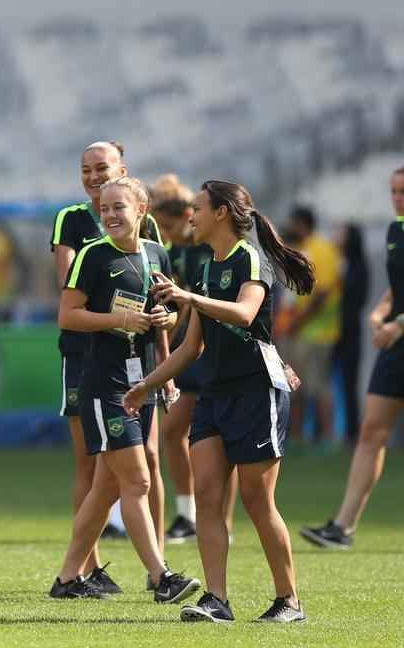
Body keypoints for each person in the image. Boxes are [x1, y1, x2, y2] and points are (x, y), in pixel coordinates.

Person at [128, 180, 315, 624]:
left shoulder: (249, 258)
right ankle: (217, 599)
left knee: (256, 500)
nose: (190, 215)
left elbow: (246, 314)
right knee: (207, 494)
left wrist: (189, 297)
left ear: (221, 213)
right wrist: (146, 386)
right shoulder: (205, 269)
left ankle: (289, 601)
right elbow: (191, 348)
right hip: (215, 394)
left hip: (256, 391)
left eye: (197, 208)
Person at [47, 177, 198, 606]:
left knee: (107, 488)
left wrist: (167, 326)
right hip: (105, 385)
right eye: (106, 208)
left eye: (119, 207)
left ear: (142, 210)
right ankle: (161, 577)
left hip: (142, 382)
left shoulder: (155, 253)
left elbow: (165, 311)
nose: (110, 214)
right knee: (138, 479)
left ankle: (68, 578)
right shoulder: (93, 256)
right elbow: (68, 316)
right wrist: (118, 320)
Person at [49, 141, 163, 592]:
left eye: (102, 168)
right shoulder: (73, 221)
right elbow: (69, 289)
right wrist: (118, 315)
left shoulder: (148, 232)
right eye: (86, 170)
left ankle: (153, 565)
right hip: (87, 355)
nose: (94, 177)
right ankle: (91, 568)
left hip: (139, 359)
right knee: (94, 463)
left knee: (143, 461)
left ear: (123, 171)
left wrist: (163, 331)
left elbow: (158, 288)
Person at [301, 168, 404, 550]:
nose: (397, 198)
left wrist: (398, 324)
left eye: (403, 191)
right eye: (393, 191)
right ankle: (342, 527)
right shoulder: (395, 231)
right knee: (371, 430)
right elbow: (396, 290)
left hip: (398, 333)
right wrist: (380, 314)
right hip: (394, 344)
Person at [148, 174, 237, 545]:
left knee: (224, 438)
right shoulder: (176, 251)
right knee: (173, 431)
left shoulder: (213, 250)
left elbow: (196, 303)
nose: (165, 235)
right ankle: (187, 513)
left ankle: (223, 521)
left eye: (168, 227)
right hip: (190, 348)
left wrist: (172, 336)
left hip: (215, 350)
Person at [278, 205, 341, 444]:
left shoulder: (322, 249)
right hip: (297, 332)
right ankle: (297, 436)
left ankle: (327, 437)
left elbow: (323, 294)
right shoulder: (301, 249)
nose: (289, 227)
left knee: (318, 386)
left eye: (292, 223)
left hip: (317, 333)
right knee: (295, 385)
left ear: (302, 224)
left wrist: (297, 322)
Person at [333, 222, 369, 443]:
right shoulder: (335, 261)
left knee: (349, 382)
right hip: (330, 331)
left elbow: (357, 301)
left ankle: (351, 432)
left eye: (342, 234)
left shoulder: (358, 266)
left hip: (349, 333)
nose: (337, 237)